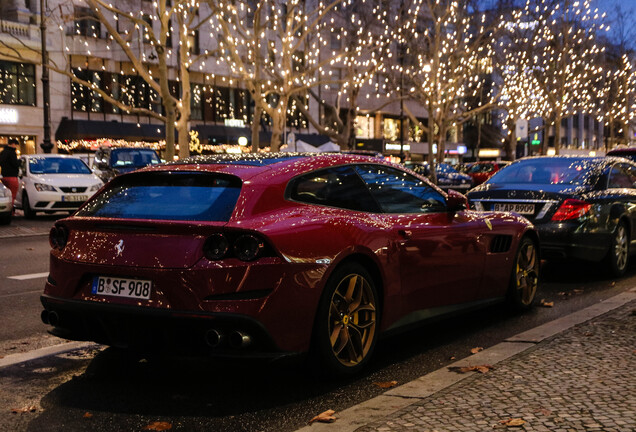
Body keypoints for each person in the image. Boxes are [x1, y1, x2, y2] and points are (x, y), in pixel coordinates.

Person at [0, 139, 20, 205]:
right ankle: (11, 211)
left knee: (6, 195)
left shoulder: (3, 152)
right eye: (16, 145)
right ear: (13, 144)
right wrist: (19, 162)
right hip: (12, 177)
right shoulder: (12, 152)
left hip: (4, 176)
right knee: (12, 195)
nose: (16, 147)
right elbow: (15, 164)